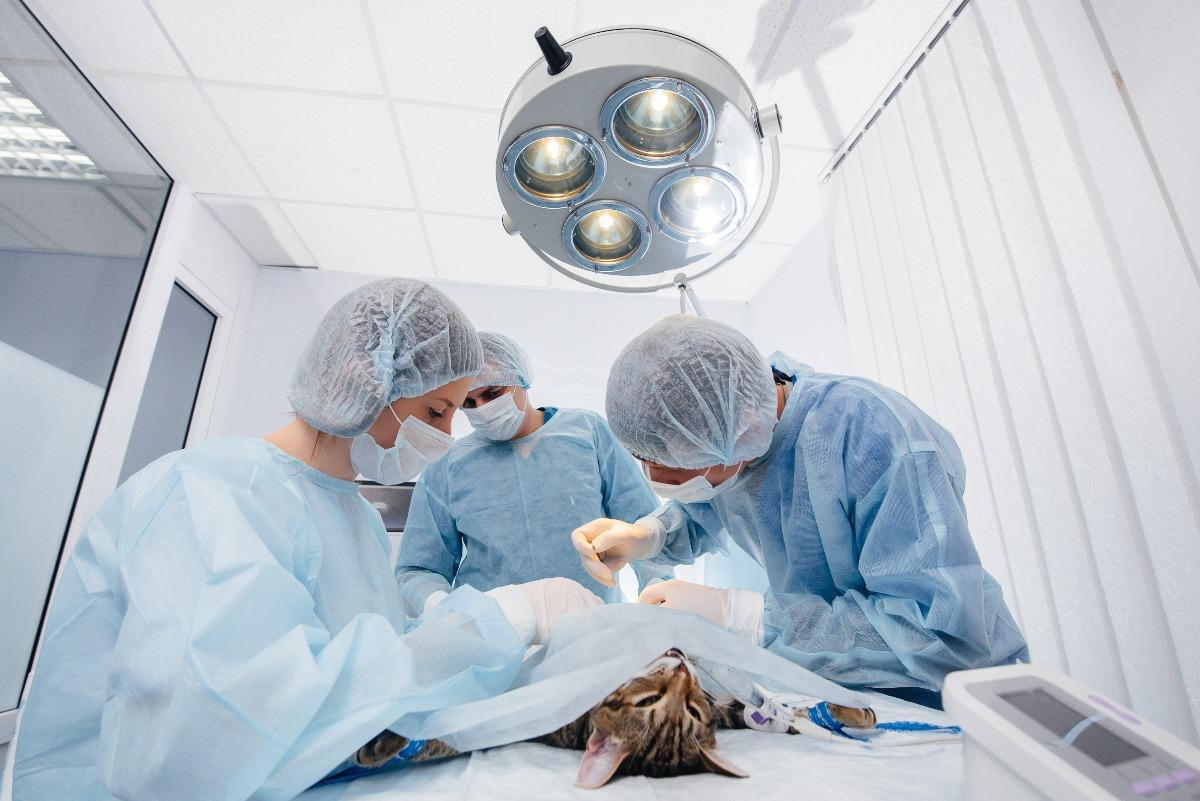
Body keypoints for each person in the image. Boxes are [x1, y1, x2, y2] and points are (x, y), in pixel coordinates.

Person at [11, 279, 601, 801]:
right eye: (437, 410)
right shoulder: (210, 492)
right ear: (370, 382)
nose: (447, 436)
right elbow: (222, 724)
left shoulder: (356, 520)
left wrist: (483, 640)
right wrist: (499, 618)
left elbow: (366, 677)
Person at [573, 315, 1028, 706]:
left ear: (742, 429)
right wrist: (650, 535)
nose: (653, 475)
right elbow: (715, 497)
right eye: (644, 457)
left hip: (949, 702)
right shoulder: (739, 440)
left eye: (671, 461)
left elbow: (940, 635)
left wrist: (740, 616)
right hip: (839, 689)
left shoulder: (874, 436)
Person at [396, 331, 668, 613]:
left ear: (520, 377)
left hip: (592, 623)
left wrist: (657, 589)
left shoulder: (587, 432)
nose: (483, 409)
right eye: (468, 402)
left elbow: (643, 528)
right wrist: (443, 607)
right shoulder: (447, 465)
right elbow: (419, 569)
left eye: (493, 393)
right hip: (498, 630)